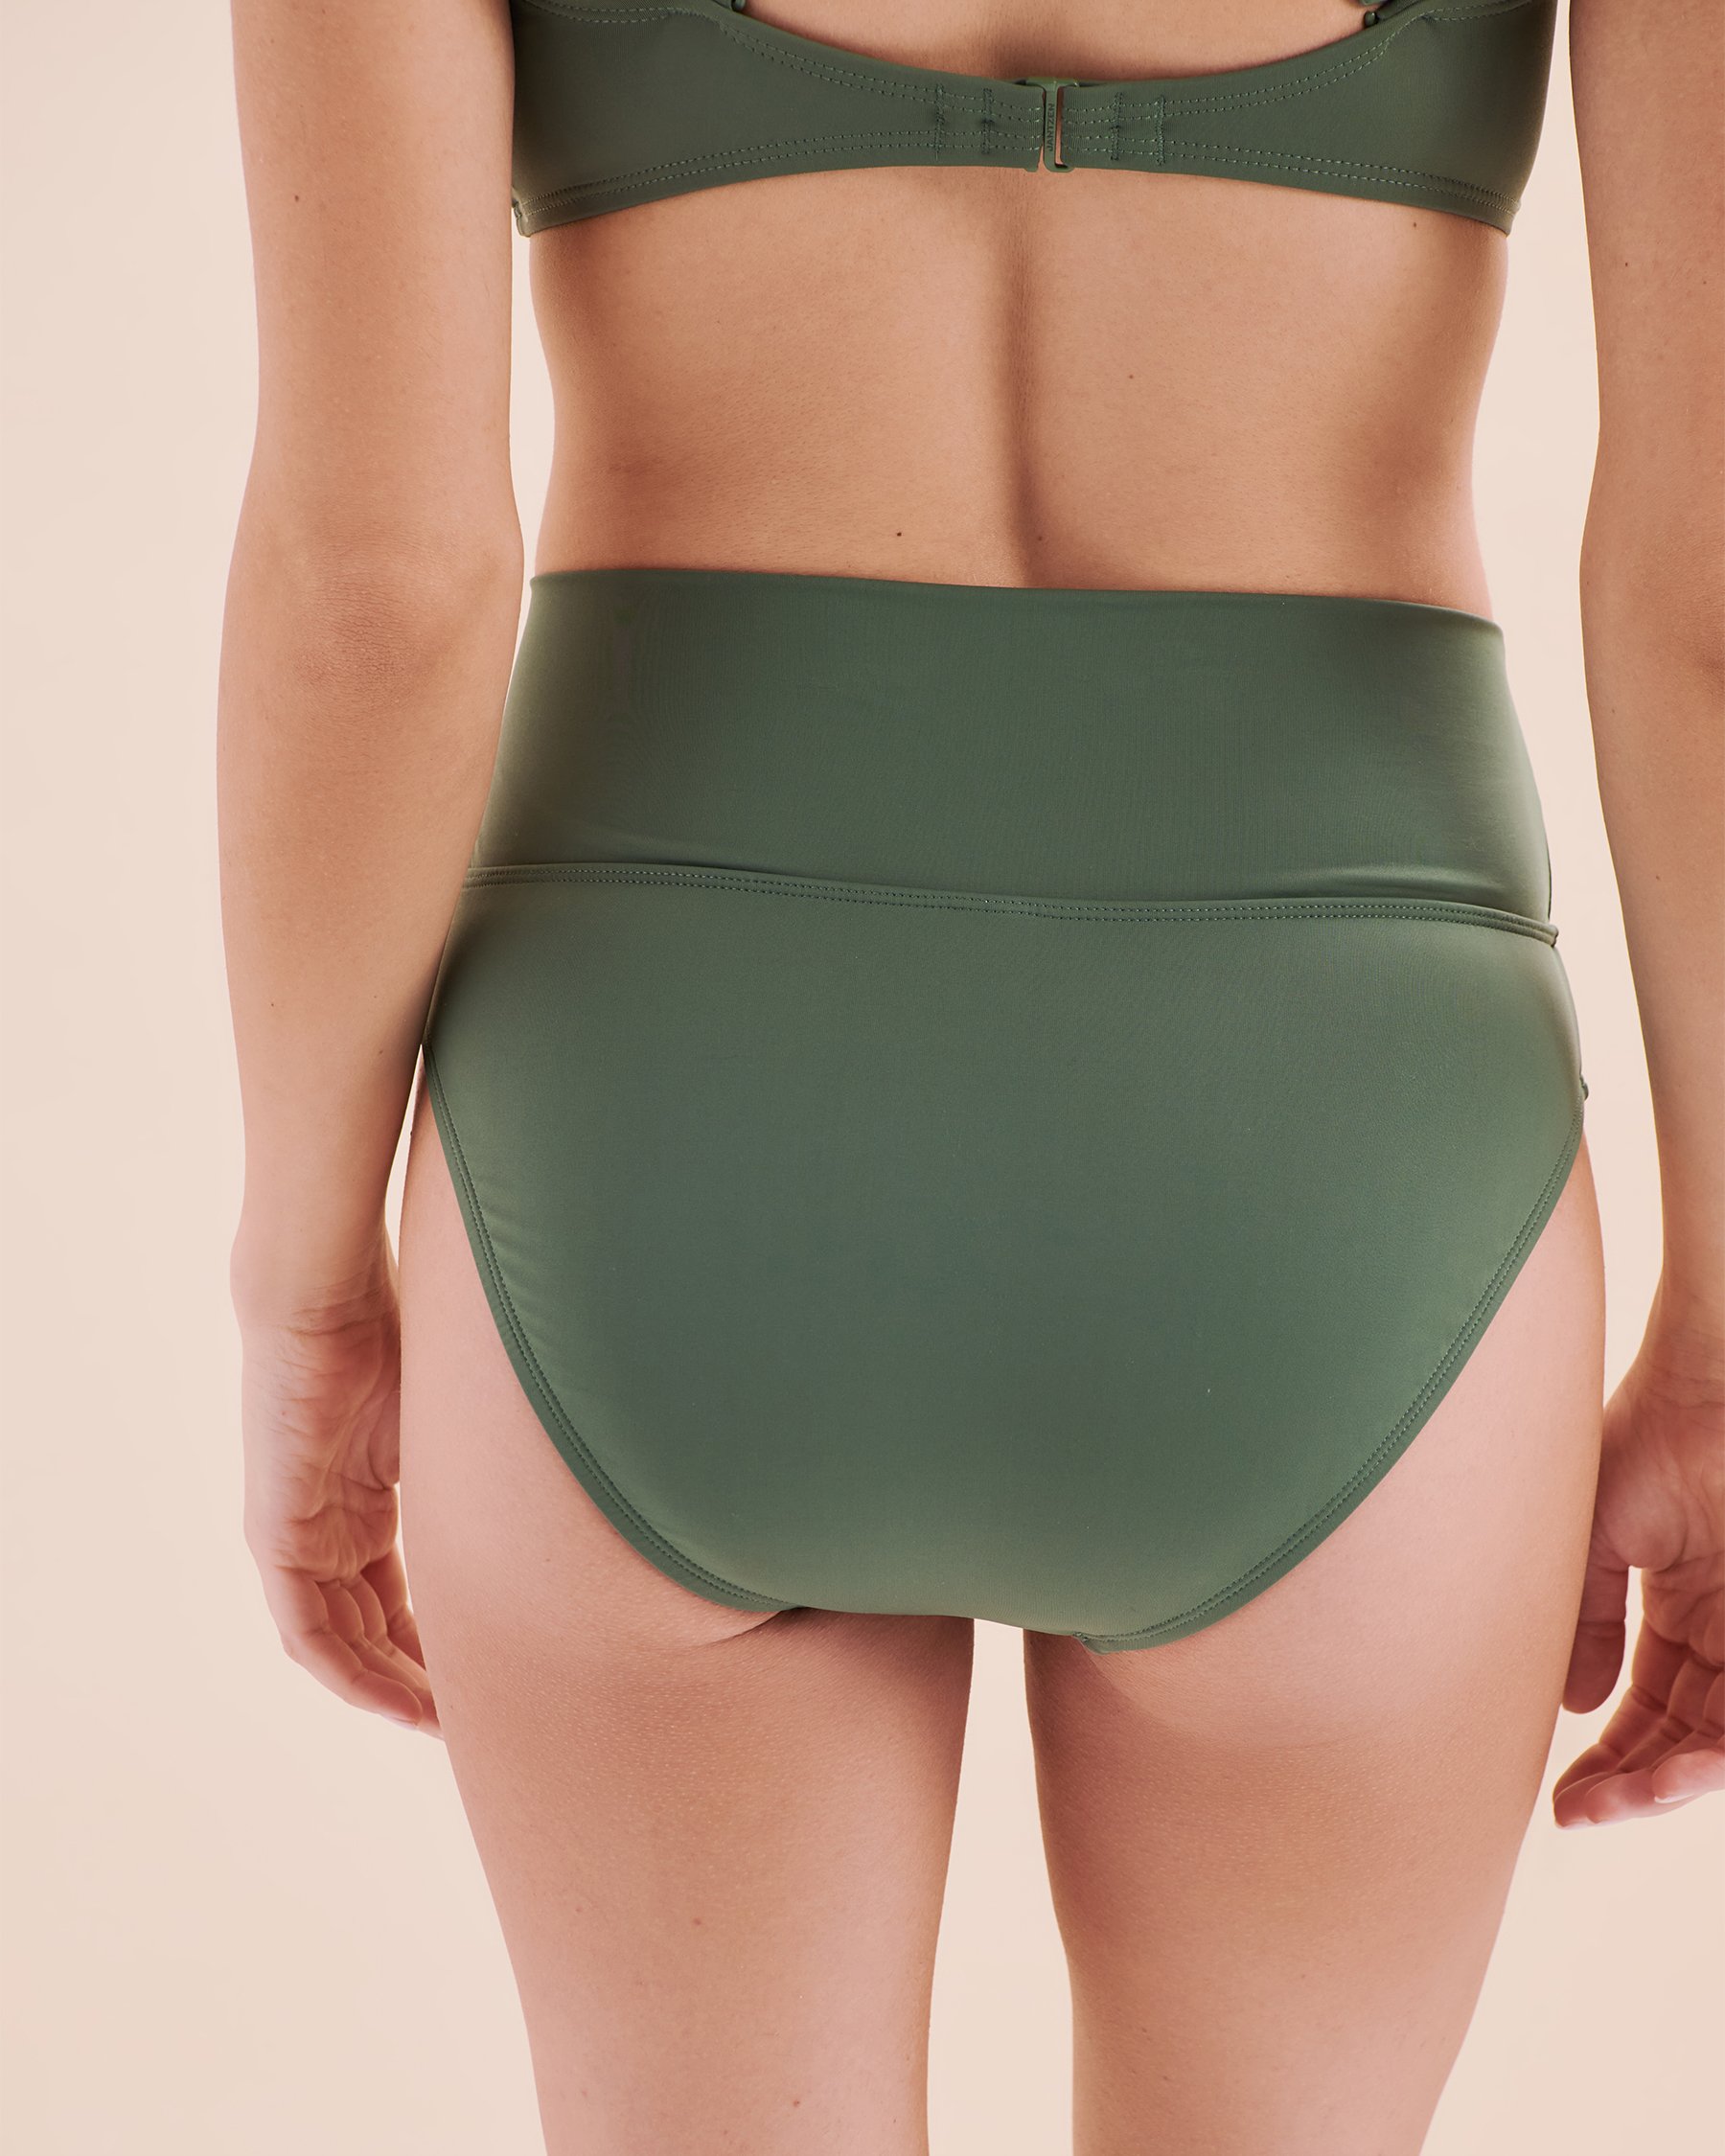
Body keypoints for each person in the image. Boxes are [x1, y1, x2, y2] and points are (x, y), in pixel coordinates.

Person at [218, 0, 1722, 2146]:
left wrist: (307, 1278)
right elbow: (1704, 598)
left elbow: (378, 589)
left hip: (660, 1125)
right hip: (1331, 1135)